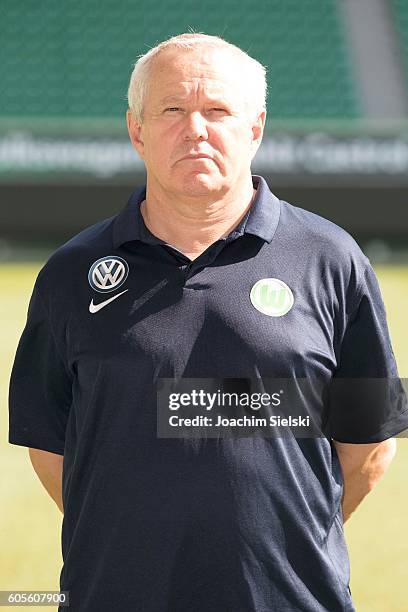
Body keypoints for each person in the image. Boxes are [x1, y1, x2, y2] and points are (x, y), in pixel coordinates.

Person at [8, 32, 408, 612]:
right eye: (172, 109)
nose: (195, 129)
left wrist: (287, 529)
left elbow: (370, 441)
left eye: (217, 110)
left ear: (255, 128)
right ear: (136, 129)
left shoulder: (332, 257)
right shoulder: (71, 272)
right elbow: (49, 445)